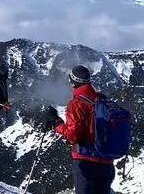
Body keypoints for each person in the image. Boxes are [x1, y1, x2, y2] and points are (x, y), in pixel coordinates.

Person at [44, 65, 117, 194]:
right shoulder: (102, 99)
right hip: (106, 161)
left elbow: (73, 136)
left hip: (86, 161)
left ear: (72, 82)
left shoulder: (76, 104)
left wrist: (58, 123)